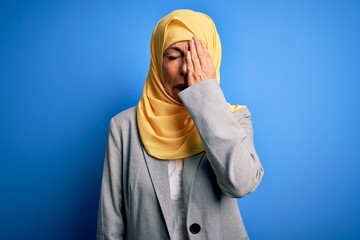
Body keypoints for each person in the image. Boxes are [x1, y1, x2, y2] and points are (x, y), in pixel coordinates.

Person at [97, 9, 264, 240]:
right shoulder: (123, 128)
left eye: (198, 57)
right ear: (157, 62)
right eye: (174, 57)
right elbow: (111, 223)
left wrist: (206, 95)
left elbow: (241, 184)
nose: (186, 69)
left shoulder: (235, 118)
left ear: (212, 61)